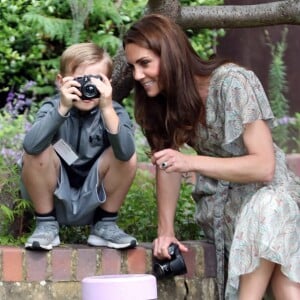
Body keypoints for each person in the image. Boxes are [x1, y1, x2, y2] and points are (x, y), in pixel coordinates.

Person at [123, 14, 300, 300]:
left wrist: (192, 162)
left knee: (273, 208)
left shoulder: (233, 83)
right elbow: (167, 163)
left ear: (171, 56)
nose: (137, 76)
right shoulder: (161, 104)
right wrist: (165, 231)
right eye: (133, 67)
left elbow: (265, 167)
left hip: (273, 197)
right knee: (284, 266)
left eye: (144, 63)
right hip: (224, 210)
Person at [21, 42, 137, 251]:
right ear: (61, 81)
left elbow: (126, 153)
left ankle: (105, 224)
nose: (87, 88)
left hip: (94, 197)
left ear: (108, 84)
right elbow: (30, 146)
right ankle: (46, 225)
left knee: (126, 156)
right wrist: (63, 108)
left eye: (96, 81)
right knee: (38, 150)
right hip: (53, 196)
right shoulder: (53, 106)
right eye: (80, 80)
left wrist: (108, 108)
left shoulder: (114, 111)